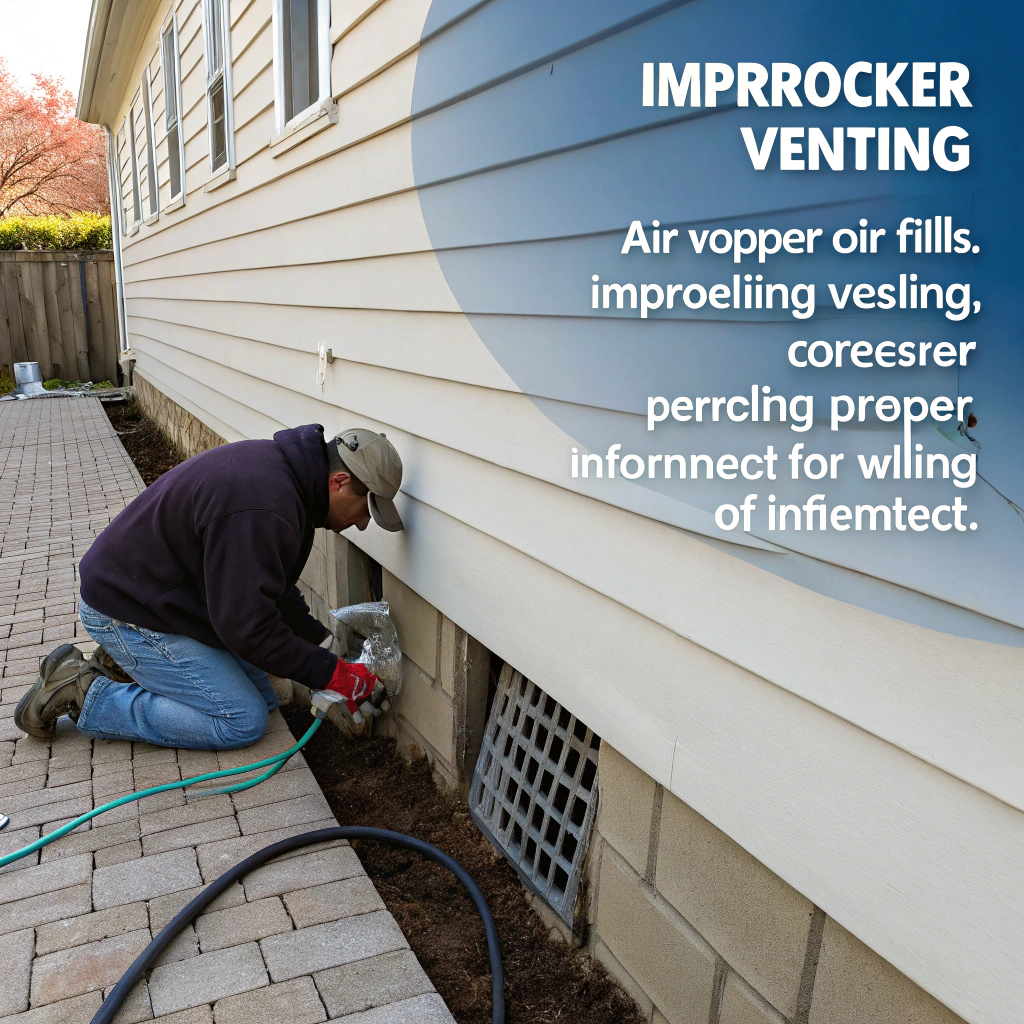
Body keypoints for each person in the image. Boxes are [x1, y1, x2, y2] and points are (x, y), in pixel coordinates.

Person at [14, 424, 404, 749]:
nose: (363, 524)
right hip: (126, 608)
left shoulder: (286, 482)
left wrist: (326, 650)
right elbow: (246, 627)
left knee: (266, 701)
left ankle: (127, 664)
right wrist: (333, 675)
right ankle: (86, 693)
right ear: (339, 482)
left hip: (161, 596)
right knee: (242, 720)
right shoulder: (266, 507)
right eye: (365, 509)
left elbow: (272, 588)